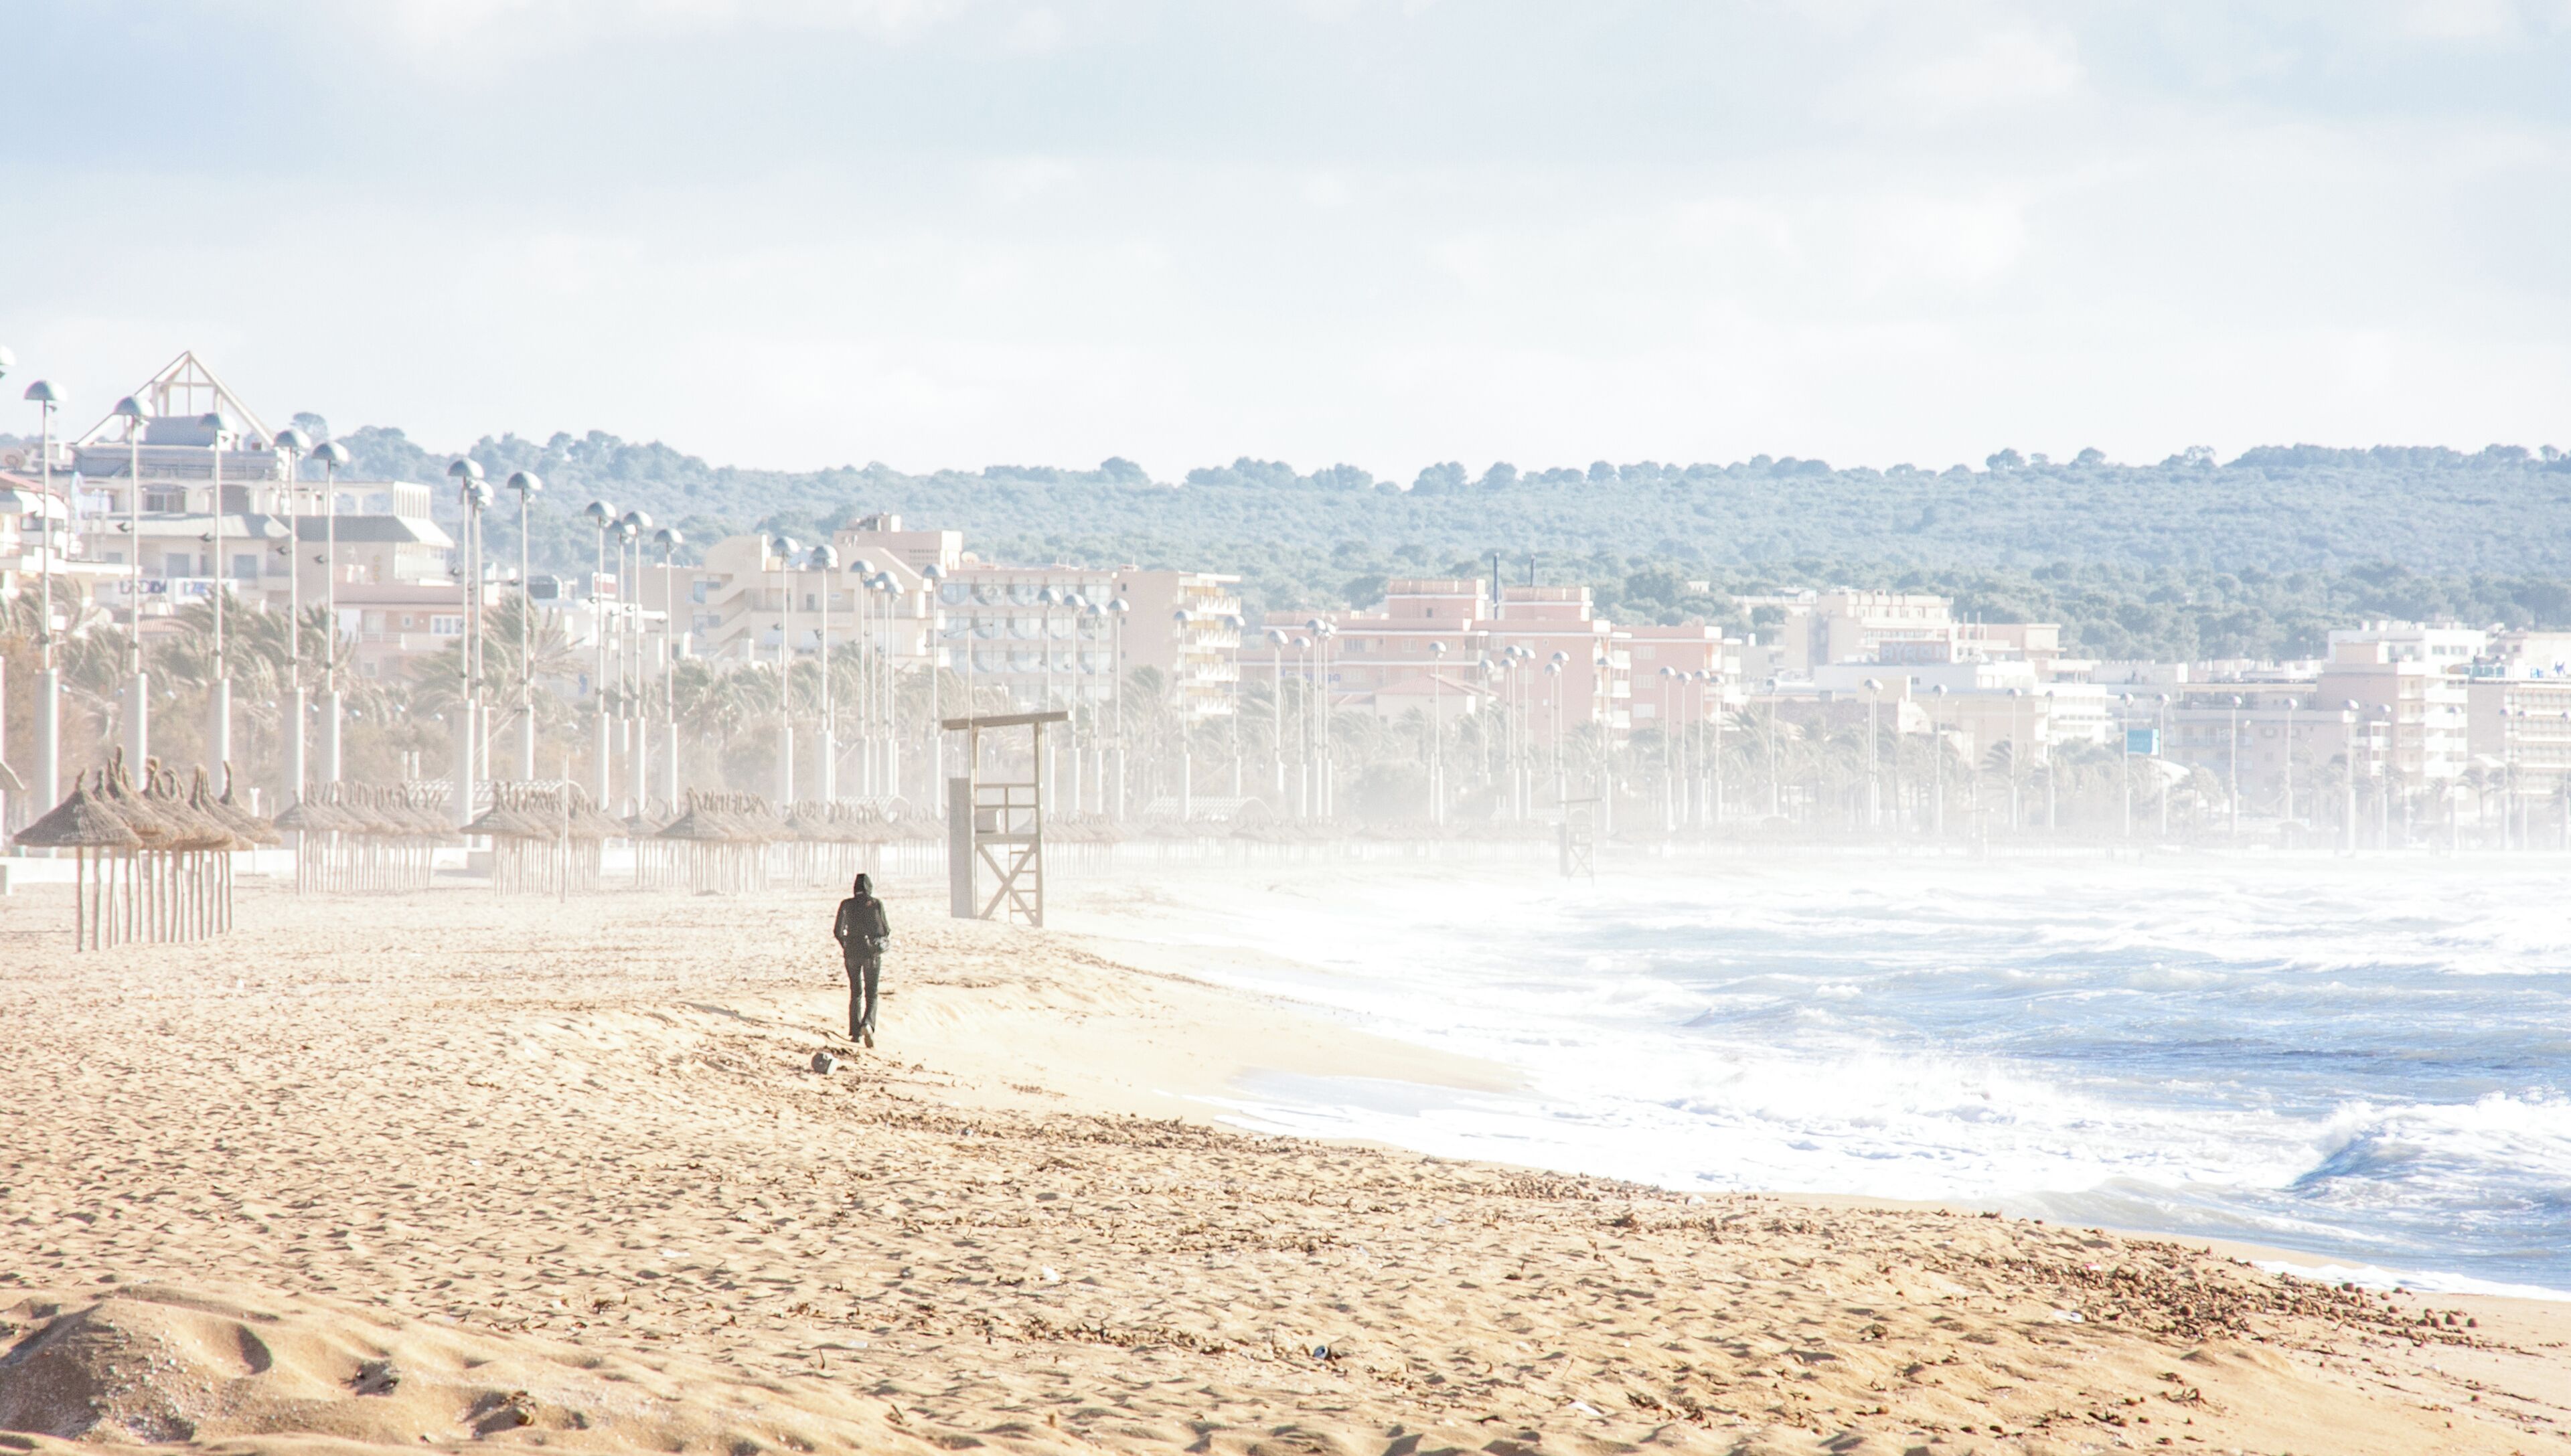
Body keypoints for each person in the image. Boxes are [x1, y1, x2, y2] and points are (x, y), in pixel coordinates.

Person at [832, 873, 890, 1046]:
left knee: (855, 992)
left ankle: (856, 1034)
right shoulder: (876, 904)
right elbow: (885, 930)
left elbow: (837, 931)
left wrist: (845, 944)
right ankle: (868, 1024)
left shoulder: (846, 904)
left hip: (851, 952)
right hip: (871, 954)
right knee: (872, 993)